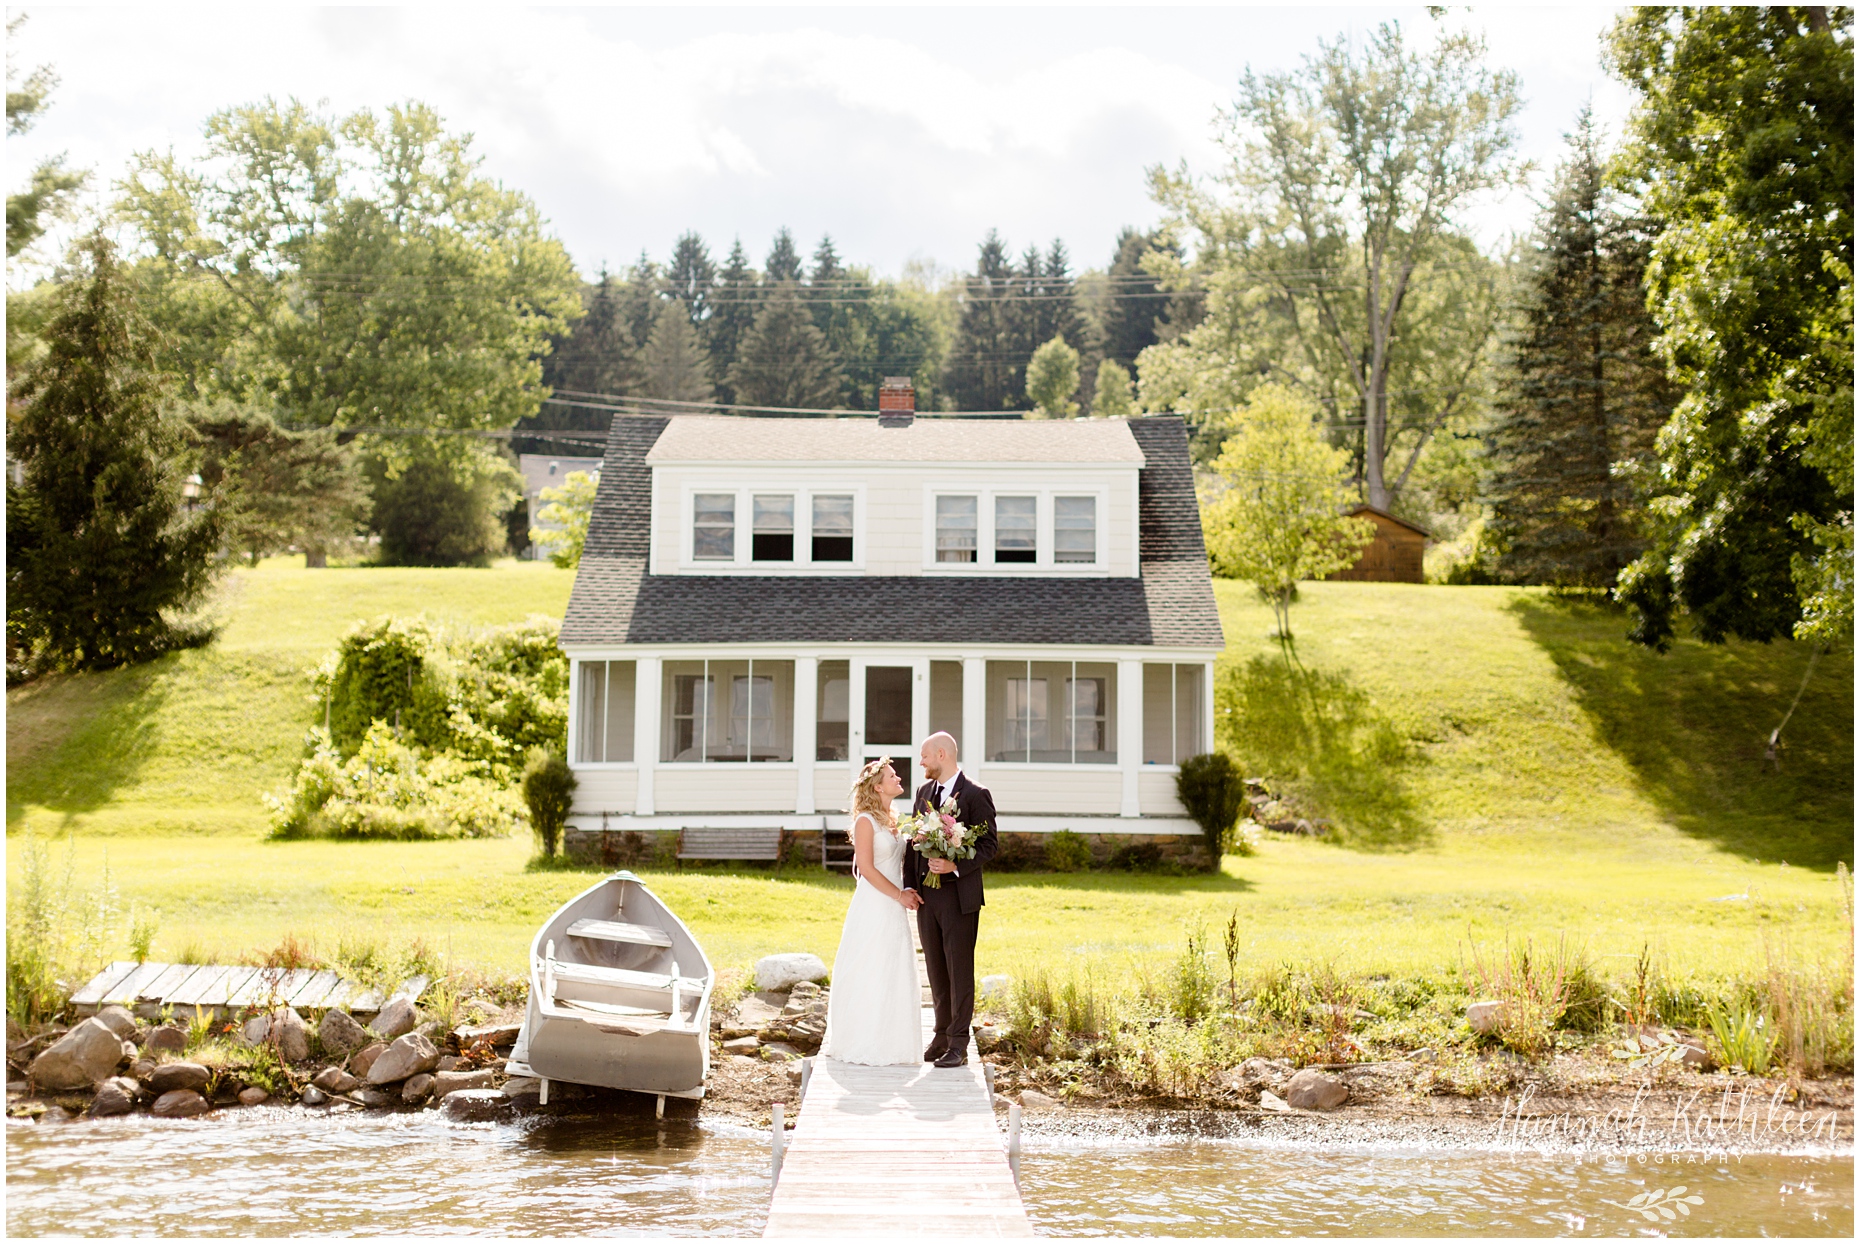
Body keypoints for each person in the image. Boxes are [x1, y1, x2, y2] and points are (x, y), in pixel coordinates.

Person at [819, 758, 924, 1065]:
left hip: (894, 904)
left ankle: (894, 1042)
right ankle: (864, 1039)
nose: (898, 777)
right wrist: (898, 895)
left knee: (893, 966)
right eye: (893, 775)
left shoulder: (894, 818)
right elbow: (865, 868)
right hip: (876, 902)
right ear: (878, 786)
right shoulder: (866, 821)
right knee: (870, 966)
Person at [904, 731, 999, 1068]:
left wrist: (954, 865)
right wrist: (910, 887)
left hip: (959, 898)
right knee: (936, 970)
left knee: (959, 970)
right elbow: (912, 842)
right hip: (927, 898)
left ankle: (959, 1044)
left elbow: (989, 845)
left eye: (925, 756)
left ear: (941, 754)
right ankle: (941, 1035)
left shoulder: (976, 794)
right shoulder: (923, 792)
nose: (921, 762)